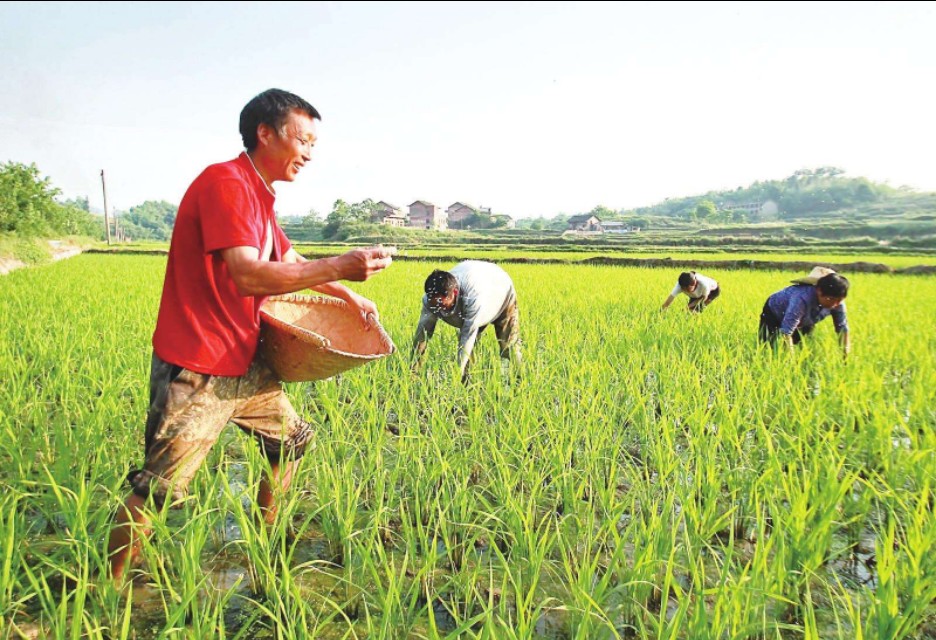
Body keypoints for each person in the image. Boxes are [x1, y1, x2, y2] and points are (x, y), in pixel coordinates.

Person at [107, 89, 394, 583]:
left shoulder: (258, 195)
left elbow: (289, 260)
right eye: (303, 139)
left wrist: (348, 294)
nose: (309, 152)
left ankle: (267, 542)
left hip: (245, 359)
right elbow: (248, 275)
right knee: (161, 489)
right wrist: (343, 264)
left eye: (313, 144)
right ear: (266, 132)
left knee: (292, 442)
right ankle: (104, 589)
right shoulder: (227, 184)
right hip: (199, 366)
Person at [411, 260, 521, 383]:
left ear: (455, 293)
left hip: (500, 291)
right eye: (434, 304)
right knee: (470, 350)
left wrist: (456, 374)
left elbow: (467, 337)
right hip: (479, 289)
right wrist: (412, 370)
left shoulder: (472, 298)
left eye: (442, 304)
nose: (438, 309)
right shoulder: (429, 300)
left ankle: (519, 381)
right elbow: (422, 334)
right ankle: (467, 384)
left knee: (508, 345)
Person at [758, 266, 850, 358]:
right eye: (831, 299)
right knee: (768, 346)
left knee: (802, 344)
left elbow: (842, 329)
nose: (835, 305)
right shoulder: (801, 299)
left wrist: (845, 358)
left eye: (839, 300)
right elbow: (786, 332)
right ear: (819, 291)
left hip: (805, 319)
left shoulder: (838, 303)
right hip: (774, 311)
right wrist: (791, 363)